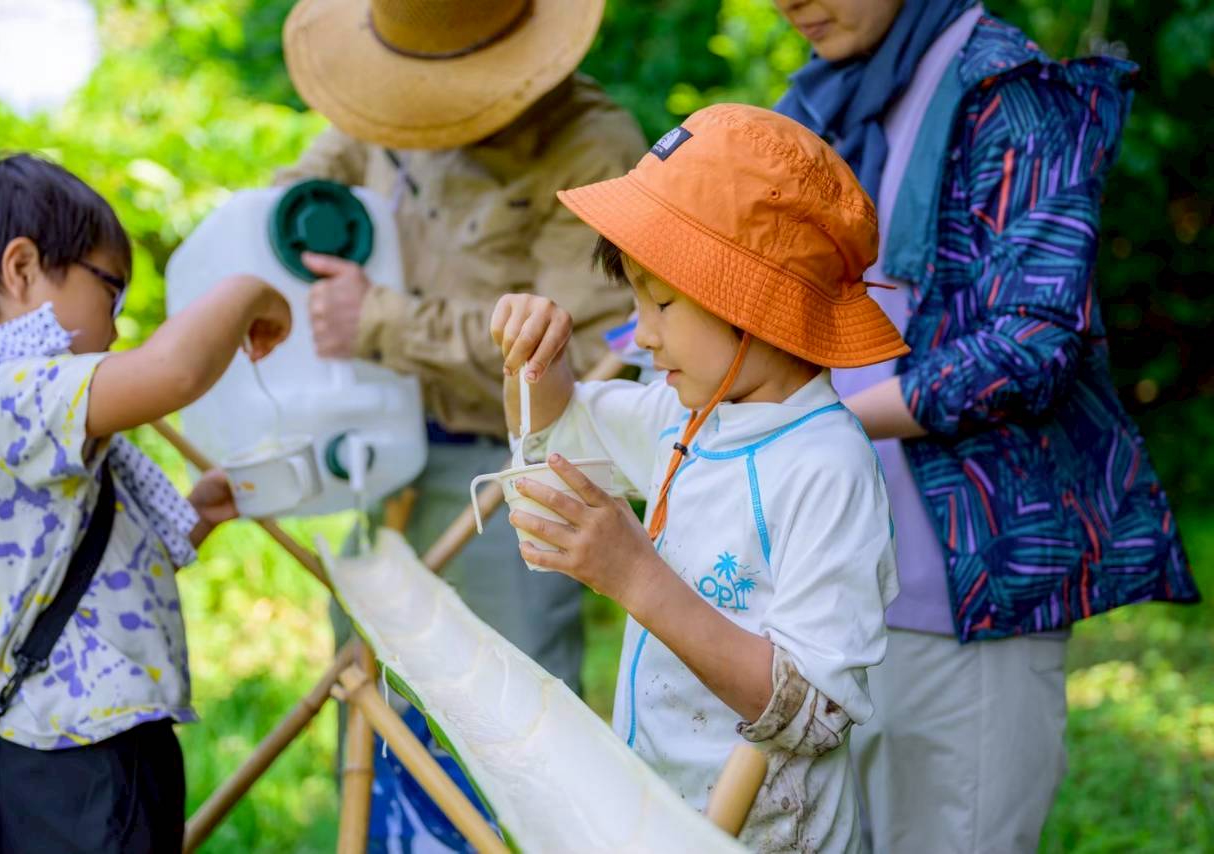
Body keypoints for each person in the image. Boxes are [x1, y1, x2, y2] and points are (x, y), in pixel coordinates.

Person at [772, 2, 1200, 850]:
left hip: (963, 593)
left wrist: (821, 427)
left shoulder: (1015, 88)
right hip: (828, 579)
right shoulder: (833, 96)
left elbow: (1030, 344)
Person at [487, 104, 905, 852]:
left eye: (662, 303)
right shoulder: (688, 416)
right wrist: (536, 356)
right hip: (663, 816)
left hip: (773, 837)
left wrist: (638, 578)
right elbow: (566, 425)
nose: (641, 333)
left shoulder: (826, 465)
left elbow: (813, 712)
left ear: (757, 304)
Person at [275, 0, 644, 697]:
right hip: (376, 456)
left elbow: (585, 350)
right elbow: (291, 200)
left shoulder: (591, 146)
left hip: (504, 483)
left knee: (511, 728)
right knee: (375, 717)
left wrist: (381, 321)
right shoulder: (383, 108)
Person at [0, 154, 291, 852]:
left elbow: (83, 574)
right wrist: (250, 290)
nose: (119, 328)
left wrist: (199, 515)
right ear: (22, 269)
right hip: (84, 756)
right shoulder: (1, 392)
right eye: (111, 292)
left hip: (74, 747)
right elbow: (173, 371)